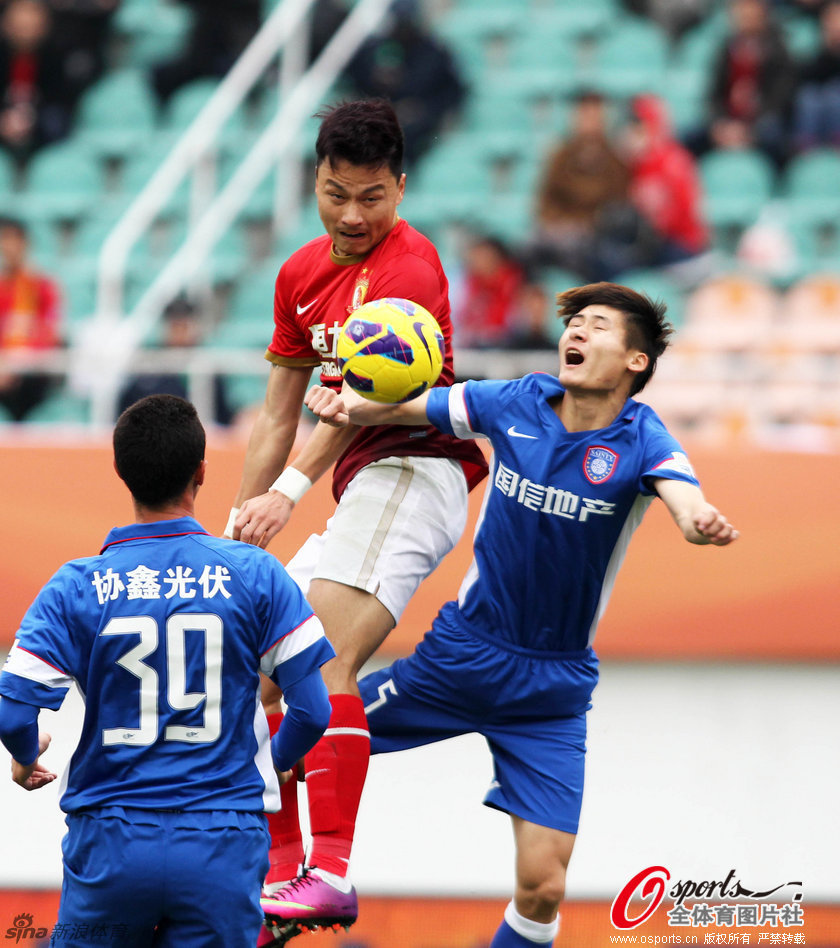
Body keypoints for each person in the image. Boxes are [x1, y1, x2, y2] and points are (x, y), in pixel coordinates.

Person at [299, 281, 739, 948]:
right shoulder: (517, 400)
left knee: (544, 889)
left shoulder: (642, 438)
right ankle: (257, 889)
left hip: (552, 695)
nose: (578, 334)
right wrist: (345, 403)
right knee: (304, 739)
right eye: (576, 325)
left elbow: (682, 495)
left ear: (635, 362)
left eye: (597, 327)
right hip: (461, 659)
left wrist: (697, 519)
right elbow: (410, 405)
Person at [227, 98, 487, 937]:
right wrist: (241, 519)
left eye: (372, 196)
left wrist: (289, 495)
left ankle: (330, 871)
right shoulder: (300, 275)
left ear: (401, 189)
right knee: (259, 667)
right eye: (337, 192)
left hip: (415, 471)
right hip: (360, 487)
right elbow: (278, 413)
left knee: (324, 659)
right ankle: (278, 874)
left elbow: (363, 406)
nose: (352, 214)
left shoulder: (410, 271)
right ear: (315, 179)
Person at [0, 393, 335, 948]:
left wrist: (25, 752)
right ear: (202, 470)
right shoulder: (256, 574)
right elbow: (314, 710)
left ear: (120, 471)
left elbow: (13, 710)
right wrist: (267, 763)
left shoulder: (76, 585)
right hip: (223, 840)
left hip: (111, 838)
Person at [523, 90, 633, 281]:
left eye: (595, 115)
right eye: (585, 115)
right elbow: (547, 197)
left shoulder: (615, 158)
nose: (589, 122)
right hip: (562, 227)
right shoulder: (561, 155)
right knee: (529, 247)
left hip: (596, 233)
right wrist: (556, 221)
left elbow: (619, 201)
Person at [343, 0, 466, 167]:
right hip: (380, 118)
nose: (403, 27)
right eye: (399, 21)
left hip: (421, 125)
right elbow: (355, 80)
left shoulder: (434, 52)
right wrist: (376, 78)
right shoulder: (373, 49)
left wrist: (423, 110)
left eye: (407, 21)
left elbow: (453, 91)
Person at [117, 294, 235, 426]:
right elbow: (125, 410)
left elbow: (223, 417)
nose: (179, 333)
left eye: (184, 326)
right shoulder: (147, 368)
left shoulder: (207, 369)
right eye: (175, 326)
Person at [621, 93, 710, 267]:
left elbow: (682, 215)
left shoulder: (673, 161)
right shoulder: (634, 163)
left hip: (680, 245)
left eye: (639, 128)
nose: (631, 136)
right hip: (651, 243)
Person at [0, 214, 62, 420]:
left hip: (32, 371)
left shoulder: (41, 286)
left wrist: (19, 363)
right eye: (4, 240)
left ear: (25, 243)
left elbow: (51, 332)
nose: (9, 247)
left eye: (13, 239)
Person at [791, 0, 840, 150]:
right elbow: (808, 76)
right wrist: (831, 49)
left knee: (834, 95)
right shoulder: (817, 48)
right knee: (808, 97)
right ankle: (806, 148)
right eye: (831, 20)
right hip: (818, 98)